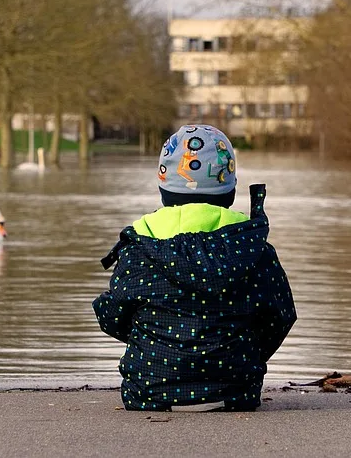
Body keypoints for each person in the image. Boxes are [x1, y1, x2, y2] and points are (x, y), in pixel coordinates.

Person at [93, 124, 296, 412]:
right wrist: (247, 353)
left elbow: (113, 316)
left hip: (150, 393)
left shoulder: (138, 249)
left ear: (163, 189)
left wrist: (155, 337)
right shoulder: (254, 251)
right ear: (231, 191)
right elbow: (280, 317)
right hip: (235, 392)